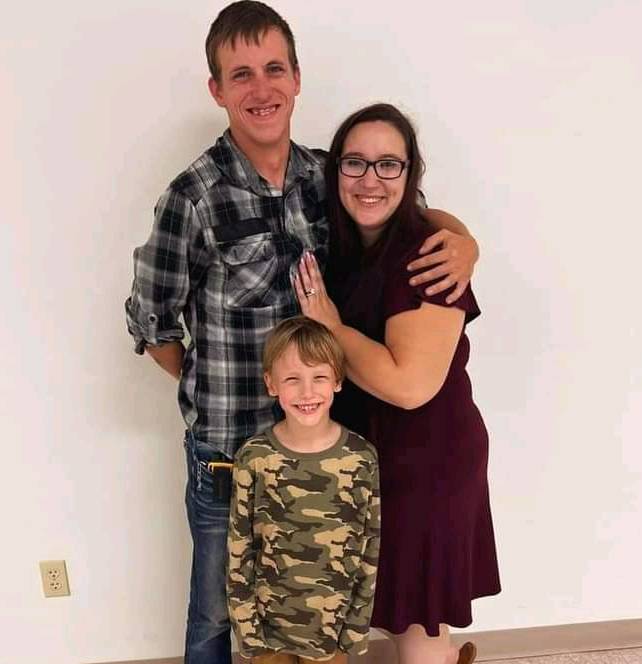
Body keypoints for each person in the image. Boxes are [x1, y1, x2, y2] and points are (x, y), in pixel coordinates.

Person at [125, 3, 479, 663]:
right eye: (241, 74)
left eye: (274, 69)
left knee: (315, 610)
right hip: (232, 453)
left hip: (323, 445)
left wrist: (465, 241)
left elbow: (409, 215)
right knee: (218, 615)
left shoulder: (329, 178)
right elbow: (153, 321)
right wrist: (215, 386)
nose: (260, 88)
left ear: (296, 78)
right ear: (217, 90)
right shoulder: (192, 197)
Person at [295, 103, 501, 664]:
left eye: (389, 164)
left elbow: (411, 386)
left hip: (427, 463)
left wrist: (331, 328)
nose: (370, 179)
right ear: (334, 170)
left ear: (410, 175)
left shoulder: (427, 257)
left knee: (416, 624)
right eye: (355, 163)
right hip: (371, 458)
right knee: (387, 610)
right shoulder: (349, 243)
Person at [226, 316, 380, 664]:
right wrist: (248, 631)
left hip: (332, 634)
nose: (307, 392)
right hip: (267, 634)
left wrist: (355, 631)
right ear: (271, 384)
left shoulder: (361, 458)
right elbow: (239, 549)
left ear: (337, 380)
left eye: (319, 377)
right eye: (292, 379)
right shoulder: (254, 457)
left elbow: (369, 546)